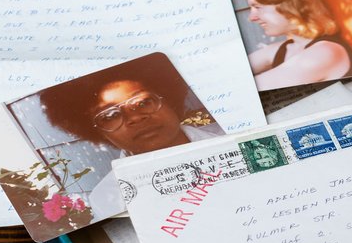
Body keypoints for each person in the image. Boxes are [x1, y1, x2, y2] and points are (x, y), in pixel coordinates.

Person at [38, 55, 224, 219]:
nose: (134, 117)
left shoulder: (230, 135)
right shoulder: (109, 199)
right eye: (109, 116)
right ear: (98, 132)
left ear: (169, 99)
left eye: (143, 102)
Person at [244, 0, 352, 91]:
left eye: (258, 7)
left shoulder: (325, 52)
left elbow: (246, 90)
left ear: (291, 5)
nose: (252, 18)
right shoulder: (281, 49)